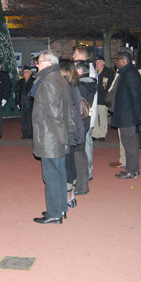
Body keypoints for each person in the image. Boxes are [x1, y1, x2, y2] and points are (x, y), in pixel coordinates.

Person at [31, 50, 75, 224]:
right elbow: (69, 110)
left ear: (48, 63)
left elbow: (53, 115)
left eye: (39, 62)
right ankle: (60, 208)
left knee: (51, 177)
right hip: (58, 135)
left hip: (51, 137)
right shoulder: (60, 79)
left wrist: (63, 137)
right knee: (60, 174)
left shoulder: (48, 82)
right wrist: (67, 134)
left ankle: (54, 213)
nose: (37, 65)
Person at [107, 50, 141, 179]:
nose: (115, 62)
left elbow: (135, 95)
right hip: (125, 113)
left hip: (128, 114)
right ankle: (130, 168)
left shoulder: (129, 73)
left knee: (130, 143)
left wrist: (139, 113)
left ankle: (133, 170)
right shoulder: (126, 72)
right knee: (127, 142)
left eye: (117, 59)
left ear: (124, 60)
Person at [59, 59, 85, 209]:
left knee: (67, 164)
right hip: (76, 127)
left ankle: (68, 197)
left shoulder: (66, 86)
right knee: (71, 163)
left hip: (69, 129)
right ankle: (72, 196)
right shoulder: (73, 84)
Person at [73, 46, 98, 180]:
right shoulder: (89, 70)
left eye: (75, 54)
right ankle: (86, 170)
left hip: (86, 114)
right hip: (87, 113)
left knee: (84, 144)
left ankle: (86, 171)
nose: (73, 56)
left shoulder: (88, 73)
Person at [92, 55, 114, 142]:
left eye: (100, 62)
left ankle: (102, 134)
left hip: (103, 98)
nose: (98, 63)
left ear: (103, 63)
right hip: (94, 98)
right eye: (97, 62)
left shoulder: (108, 72)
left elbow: (110, 85)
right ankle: (95, 133)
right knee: (94, 117)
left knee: (103, 116)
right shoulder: (93, 71)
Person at [15, 65, 35, 139]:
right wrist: (17, 102)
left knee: (30, 119)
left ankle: (31, 134)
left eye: (26, 72)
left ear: (30, 73)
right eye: (24, 72)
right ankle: (25, 133)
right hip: (22, 103)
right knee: (23, 120)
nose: (25, 73)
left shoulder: (33, 81)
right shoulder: (20, 82)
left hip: (30, 103)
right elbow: (17, 92)